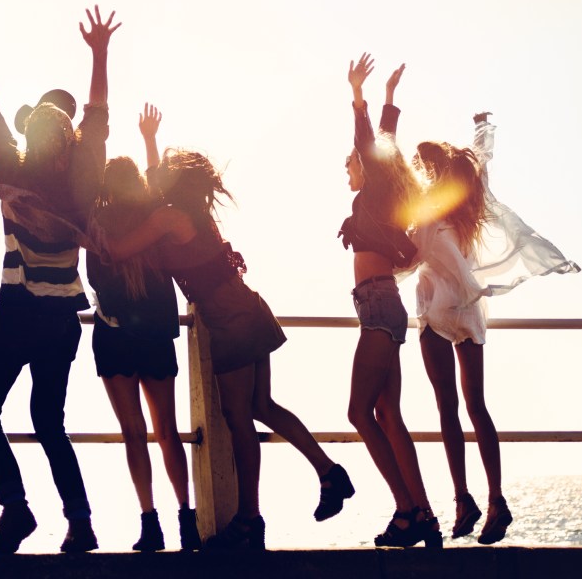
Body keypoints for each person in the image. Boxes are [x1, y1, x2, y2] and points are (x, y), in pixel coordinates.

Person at [100, 126, 349, 552]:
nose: (157, 176)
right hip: (248, 307)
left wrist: (83, 222)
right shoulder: (192, 212)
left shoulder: (167, 217)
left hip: (231, 321)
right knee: (261, 406)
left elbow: (118, 251)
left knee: (239, 418)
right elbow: (154, 186)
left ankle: (250, 519)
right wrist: (149, 141)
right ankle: (328, 472)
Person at [0, 0, 117, 555]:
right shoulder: (85, 178)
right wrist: (100, 52)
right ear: (70, 142)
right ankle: (81, 522)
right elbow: (98, 116)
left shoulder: (12, 169)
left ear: (29, 140)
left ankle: (16, 510)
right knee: (49, 421)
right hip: (64, 318)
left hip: (19, 312)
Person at [412, 111, 580, 544]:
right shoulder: (467, 203)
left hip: (438, 309)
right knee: (476, 406)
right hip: (467, 309)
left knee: (449, 407)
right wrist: (482, 128)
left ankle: (465, 500)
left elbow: (410, 254)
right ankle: (494, 500)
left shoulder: (431, 210)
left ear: (431, 170)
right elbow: (482, 161)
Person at [86, 104, 199, 552]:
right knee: (167, 430)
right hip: (154, 337)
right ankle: (186, 518)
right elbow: (158, 181)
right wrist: (150, 137)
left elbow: (96, 280)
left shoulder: (98, 227)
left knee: (133, 433)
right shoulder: (154, 219)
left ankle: (150, 523)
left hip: (113, 335)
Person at [340, 55, 441, 548]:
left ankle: (407, 511)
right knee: (387, 415)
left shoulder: (376, 193)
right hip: (380, 306)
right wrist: (387, 99)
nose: (346, 169)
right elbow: (383, 145)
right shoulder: (379, 198)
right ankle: (424, 515)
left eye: (348, 164)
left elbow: (372, 145)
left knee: (360, 414)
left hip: (379, 308)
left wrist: (360, 96)